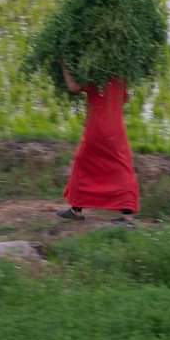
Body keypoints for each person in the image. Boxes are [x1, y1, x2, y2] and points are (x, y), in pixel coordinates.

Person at [54, 63, 140, 225]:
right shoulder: (121, 75)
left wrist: (64, 64)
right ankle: (127, 216)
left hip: (97, 127)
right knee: (122, 166)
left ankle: (76, 209)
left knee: (83, 163)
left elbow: (73, 87)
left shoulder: (96, 75)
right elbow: (125, 98)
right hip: (117, 129)